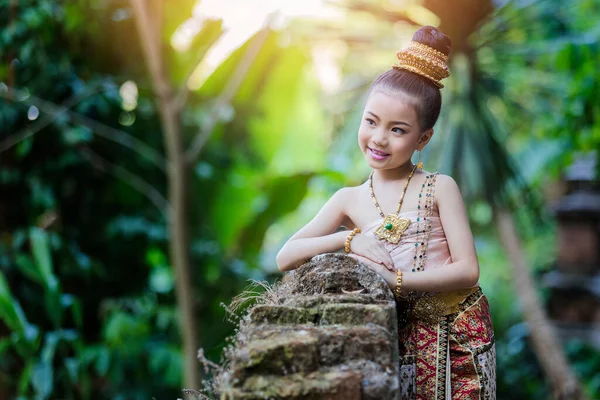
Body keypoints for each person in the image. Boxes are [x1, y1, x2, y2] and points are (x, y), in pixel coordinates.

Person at [276, 26, 495, 399]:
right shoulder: (348, 199)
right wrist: (349, 239)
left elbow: (467, 269)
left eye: (397, 130)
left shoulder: (440, 187)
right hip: (402, 332)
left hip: (459, 332)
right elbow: (286, 257)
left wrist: (397, 281)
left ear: (422, 139)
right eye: (370, 121)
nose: (378, 138)